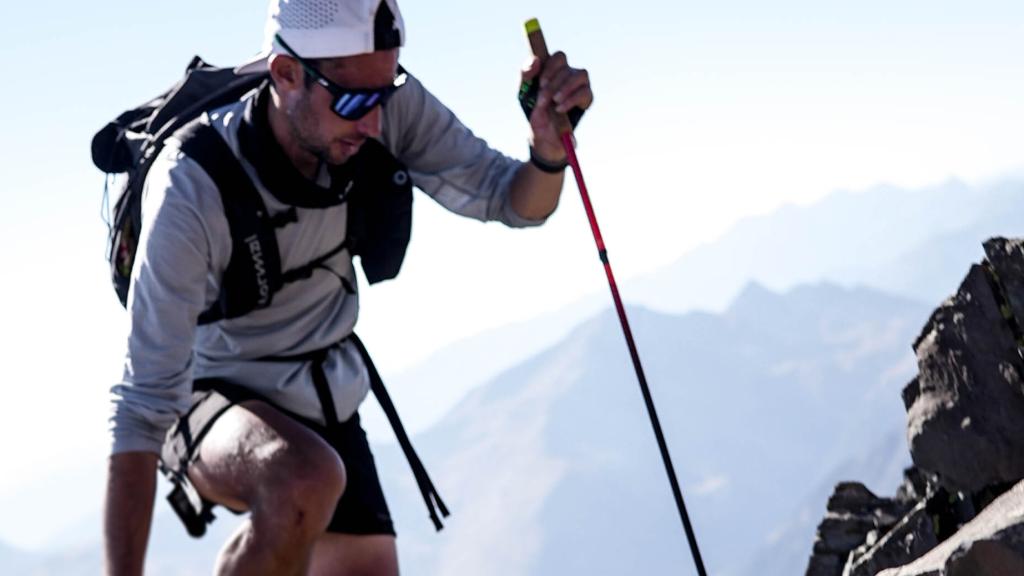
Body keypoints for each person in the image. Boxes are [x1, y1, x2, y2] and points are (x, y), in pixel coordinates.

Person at [102, 0, 593, 574]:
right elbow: (142, 406)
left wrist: (549, 153)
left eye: (386, 94)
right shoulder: (192, 186)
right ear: (285, 75)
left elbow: (515, 200)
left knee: (334, 516)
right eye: (356, 102)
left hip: (322, 392)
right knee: (304, 479)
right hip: (206, 391)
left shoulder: (382, 101)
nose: (375, 124)